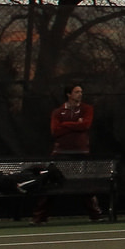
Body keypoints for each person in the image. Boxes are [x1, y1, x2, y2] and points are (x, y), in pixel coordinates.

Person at [47, 82, 105, 222]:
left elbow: (85, 125)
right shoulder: (57, 112)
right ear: (69, 94)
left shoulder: (87, 109)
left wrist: (66, 124)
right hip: (61, 153)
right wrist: (75, 125)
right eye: (77, 92)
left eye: (81, 92)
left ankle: (95, 216)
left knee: (86, 184)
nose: (80, 94)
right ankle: (39, 217)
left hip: (81, 152)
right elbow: (55, 131)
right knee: (51, 183)